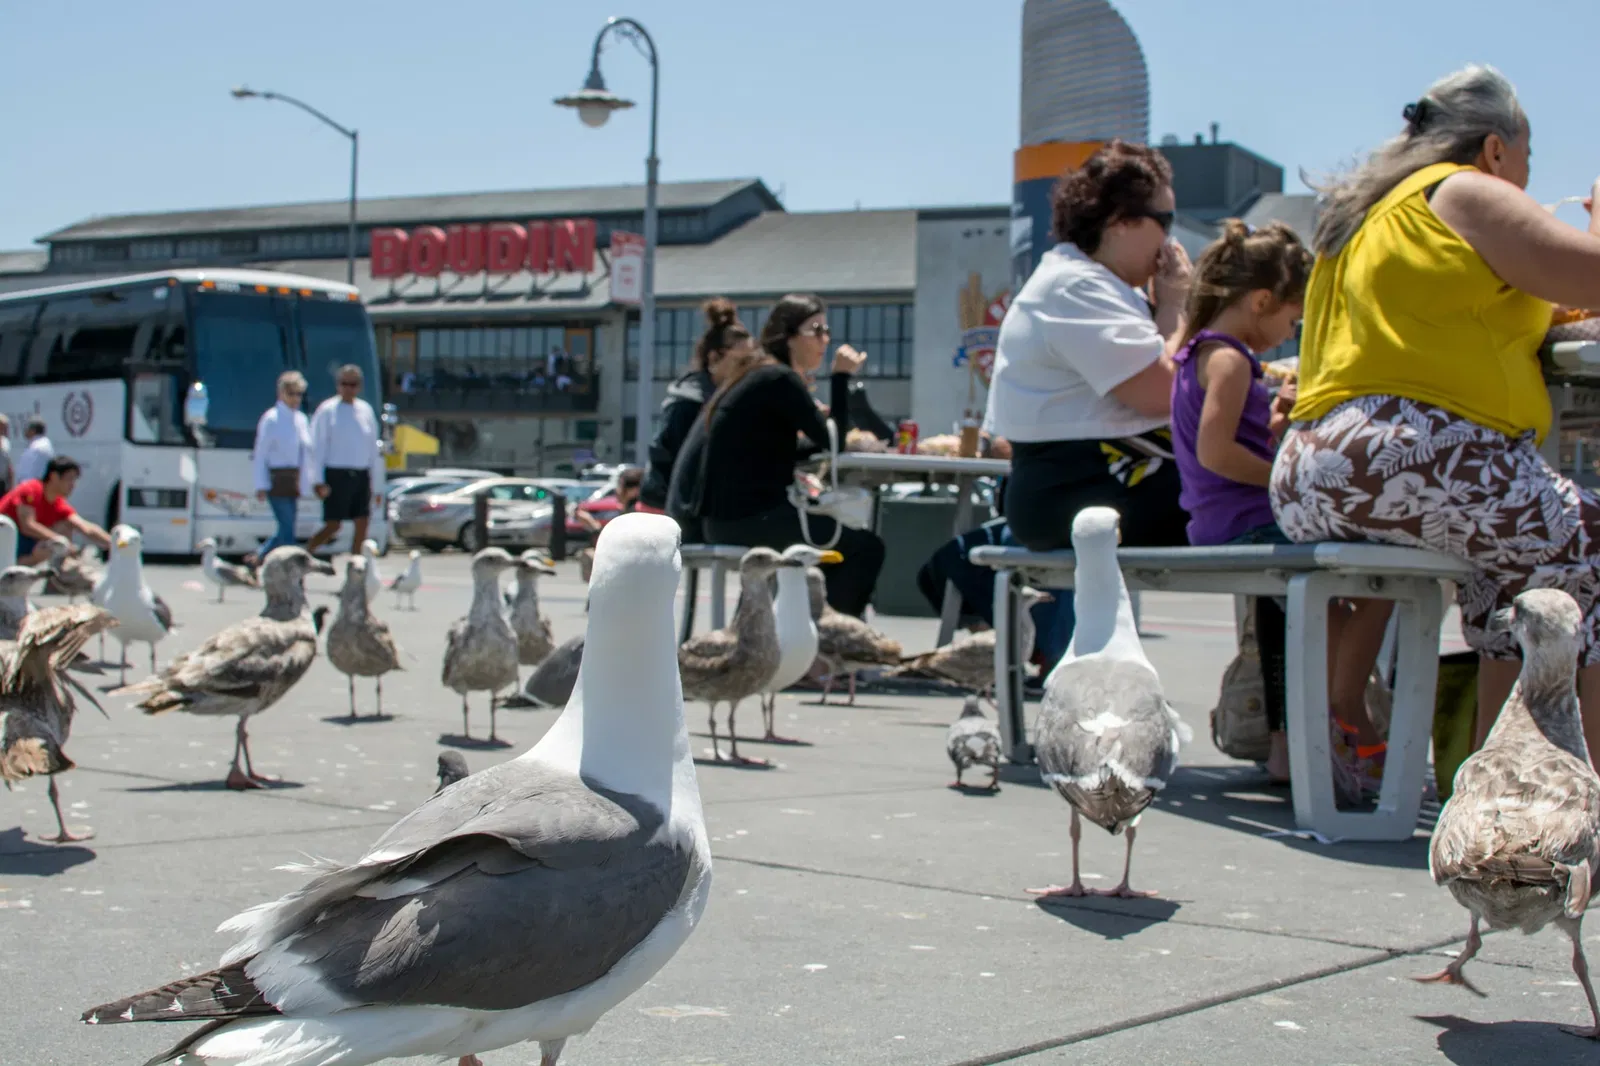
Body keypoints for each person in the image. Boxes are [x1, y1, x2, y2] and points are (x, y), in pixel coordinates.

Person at [1269, 64, 1600, 765]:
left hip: (1321, 468)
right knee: (1590, 542)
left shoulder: (1372, 211)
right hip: (1402, 457)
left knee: (1514, 577)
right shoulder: (1465, 190)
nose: (1529, 178)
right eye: (1528, 157)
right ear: (1495, 148)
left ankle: (1501, 795)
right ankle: (1575, 795)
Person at [1168, 220, 1392, 793]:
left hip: (1221, 521)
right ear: (1262, 301)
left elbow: (1224, 440)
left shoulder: (1200, 351)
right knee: (1384, 574)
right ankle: (1348, 707)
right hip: (1247, 522)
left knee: (1342, 601)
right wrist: (1284, 479)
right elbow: (1215, 452)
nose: (1291, 332)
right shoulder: (1232, 360)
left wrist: (1272, 423)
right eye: (1292, 320)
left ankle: (1336, 716)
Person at [983, 139, 1194, 661]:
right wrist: (1177, 304)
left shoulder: (1096, 284)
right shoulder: (1076, 287)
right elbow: (1165, 390)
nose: (1171, 237)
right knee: (1261, 514)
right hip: (1082, 484)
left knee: (1263, 510)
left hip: (1091, 481)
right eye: (1164, 219)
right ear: (1120, 219)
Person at [667, 293, 886, 617]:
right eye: (817, 330)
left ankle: (790, 643)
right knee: (864, 549)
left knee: (831, 548)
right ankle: (829, 651)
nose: (825, 340)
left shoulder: (759, 373)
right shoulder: (779, 378)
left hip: (722, 520)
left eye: (827, 331)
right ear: (789, 335)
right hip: (747, 521)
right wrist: (840, 378)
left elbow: (782, 449)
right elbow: (833, 441)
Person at [639, 298, 755, 522]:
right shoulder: (689, 403)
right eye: (741, 362)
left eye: (753, 363)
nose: (748, 371)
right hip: (663, 509)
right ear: (714, 358)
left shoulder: (724, 398)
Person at [306, 364, 386, 557]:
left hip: (360, 474)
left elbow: (373, 451)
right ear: (338, 385)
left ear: (359, 386)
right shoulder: (327, 410)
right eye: (344, 384)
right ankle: (305, 554)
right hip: (336, 474)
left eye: (353, 384)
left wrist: (377, 486)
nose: (349, 388)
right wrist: (317, 480)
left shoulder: (365, 410)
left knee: (362, 522)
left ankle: (356, 568)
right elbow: (317, 448)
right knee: (334, 525)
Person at [0, 456, 112, 565]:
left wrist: (113, 543)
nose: (73, 485)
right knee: (52, 544)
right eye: (69, 479)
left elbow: (85, 527)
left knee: (64, 526)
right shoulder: (31, 489)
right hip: (6, 541)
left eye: (74, 479)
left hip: (23, 543)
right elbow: (27, 526)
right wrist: (62, 542)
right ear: (54, 477)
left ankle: (58, 577)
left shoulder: (58, 503)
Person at [250, 371, 312, 564]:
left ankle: (258, 558)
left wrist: (305, 483)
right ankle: (287, 567)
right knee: (287, 530)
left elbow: (305, 453)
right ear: (281, 393)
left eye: (298, 394)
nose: (295, 399)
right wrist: (261, 484)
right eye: (291, 393)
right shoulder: (271, 418)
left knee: (287, 528)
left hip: (293, 481)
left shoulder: (301, 419)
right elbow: (261, 453)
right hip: (276, 479)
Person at [14, 417, 54, 485]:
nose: (25, 431)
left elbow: (28, 474)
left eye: (27, 428)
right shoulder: (43, 444)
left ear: (33, 430)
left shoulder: (36, 447)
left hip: (31, 490)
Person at [0, 415, 13, 495]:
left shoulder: (6, 442)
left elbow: (9, 465)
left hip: (3, 483)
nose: (5, 430)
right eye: (3, 427)